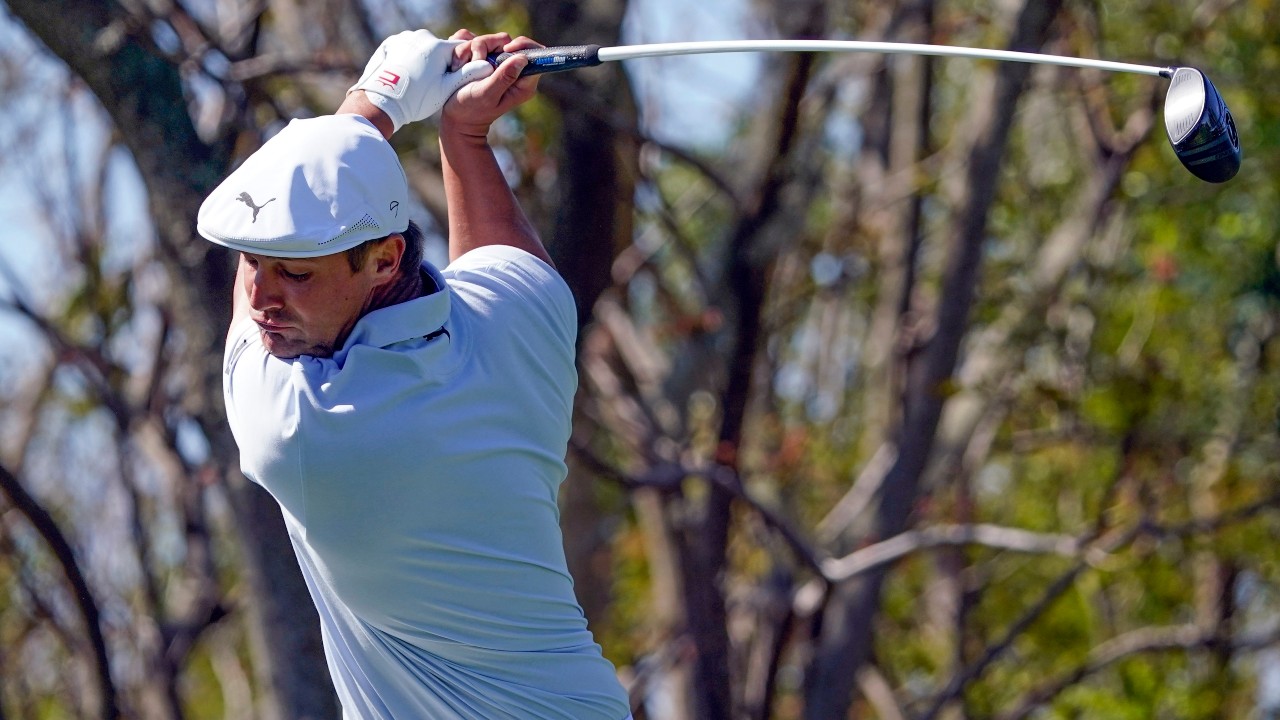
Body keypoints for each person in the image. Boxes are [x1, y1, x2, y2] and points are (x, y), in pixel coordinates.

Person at [196, 28, 632, 720]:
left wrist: (379, 98)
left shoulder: (305, 429)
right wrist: (466, 136)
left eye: (295, 272)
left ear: (384, 261)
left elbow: (254, 294)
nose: (260, 297)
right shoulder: (522, 318)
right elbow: (503, 258)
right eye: (253, 262)